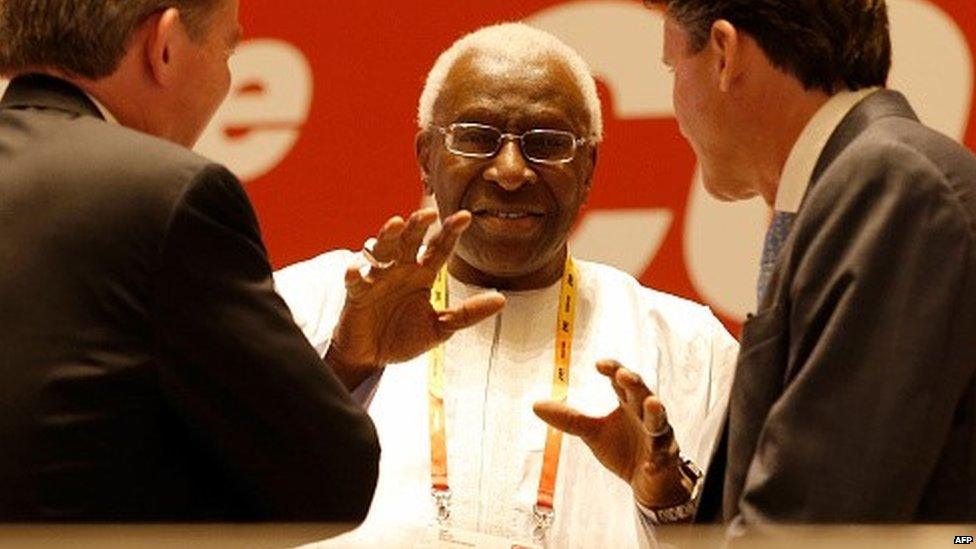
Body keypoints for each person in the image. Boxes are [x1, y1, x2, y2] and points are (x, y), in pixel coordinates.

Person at [0, 0, 503, 521]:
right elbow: (324, 478)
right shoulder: (168, 195)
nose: (225, 81)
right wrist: (346, 367)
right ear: (165, 46)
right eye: (227, 50)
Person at [274, 23, 738, 547]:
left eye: (546, 143)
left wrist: (668, 501)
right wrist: (344, 365)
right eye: (476, 137)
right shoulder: (310, 304)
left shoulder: (683, 346)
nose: (511, 171)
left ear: (588, 168)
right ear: (426, 158)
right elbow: (213, 502)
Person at [539, 0, 976, 528]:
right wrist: (672, 502)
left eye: (673, 67)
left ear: (723, 52)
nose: (676, 109)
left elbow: (818, 525)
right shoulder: (858, 185)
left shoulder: (889, 182)